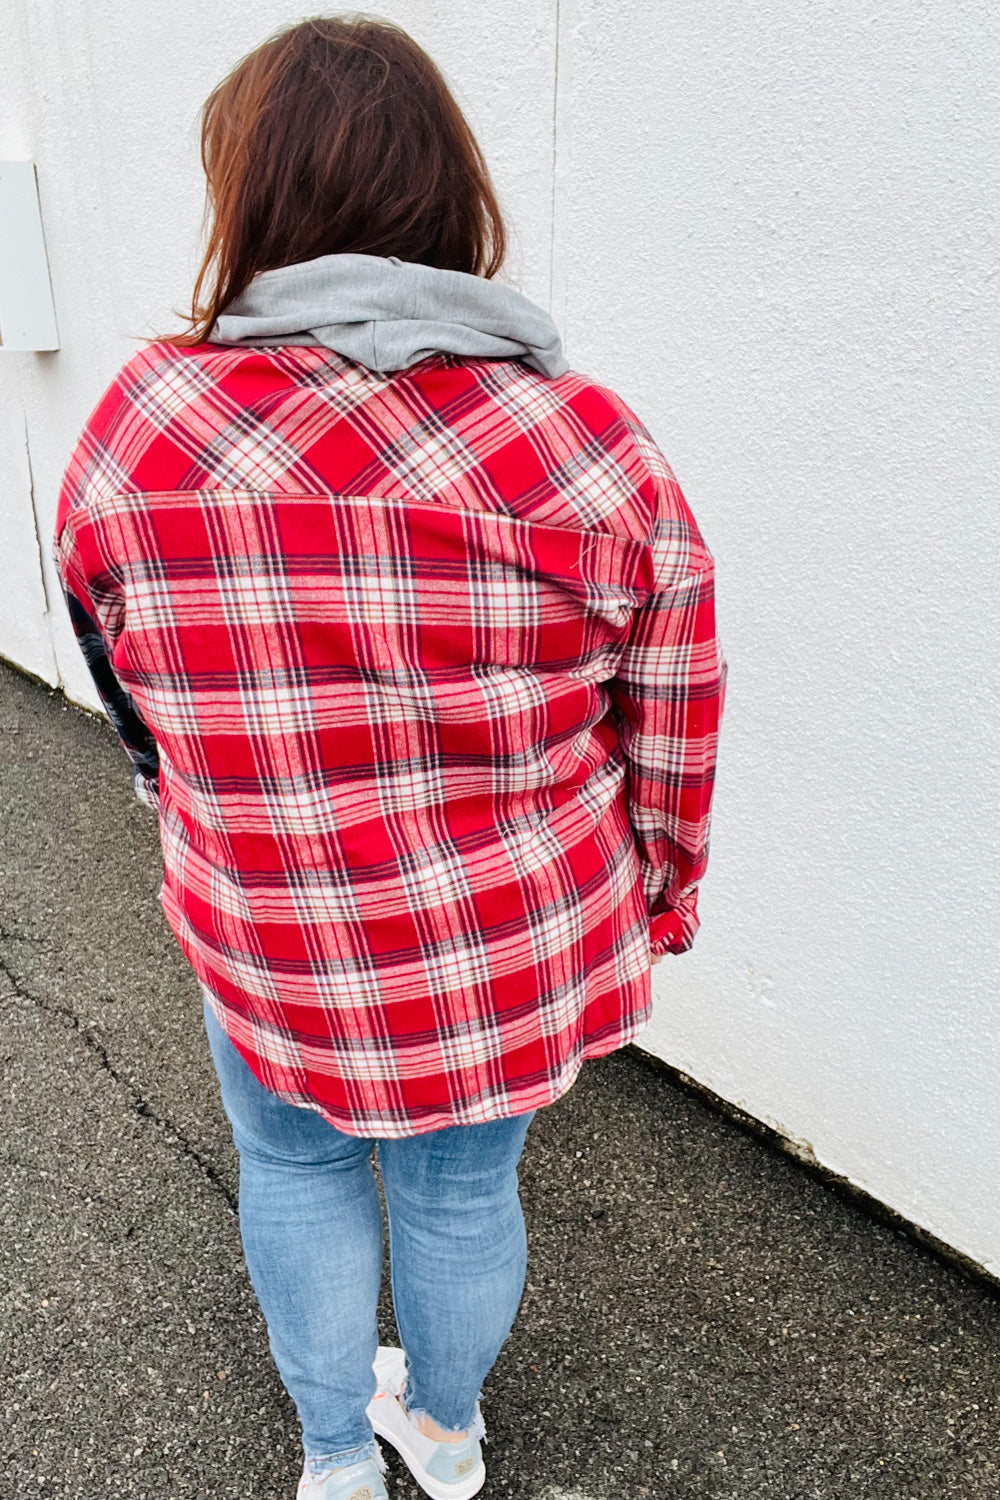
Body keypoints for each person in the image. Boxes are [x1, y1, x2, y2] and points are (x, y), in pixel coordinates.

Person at [53, 15, 727, 1500]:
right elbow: (674, 712)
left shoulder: (144, 425)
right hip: (496, 936)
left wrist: (192, 795)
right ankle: (448, 1429)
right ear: (451, 193)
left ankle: (330, 1455)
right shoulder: (584, 443)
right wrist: (660, 891)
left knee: (292, 1167)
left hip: (269, 915)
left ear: (254, 199)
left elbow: (120, 665)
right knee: (464, 1187)